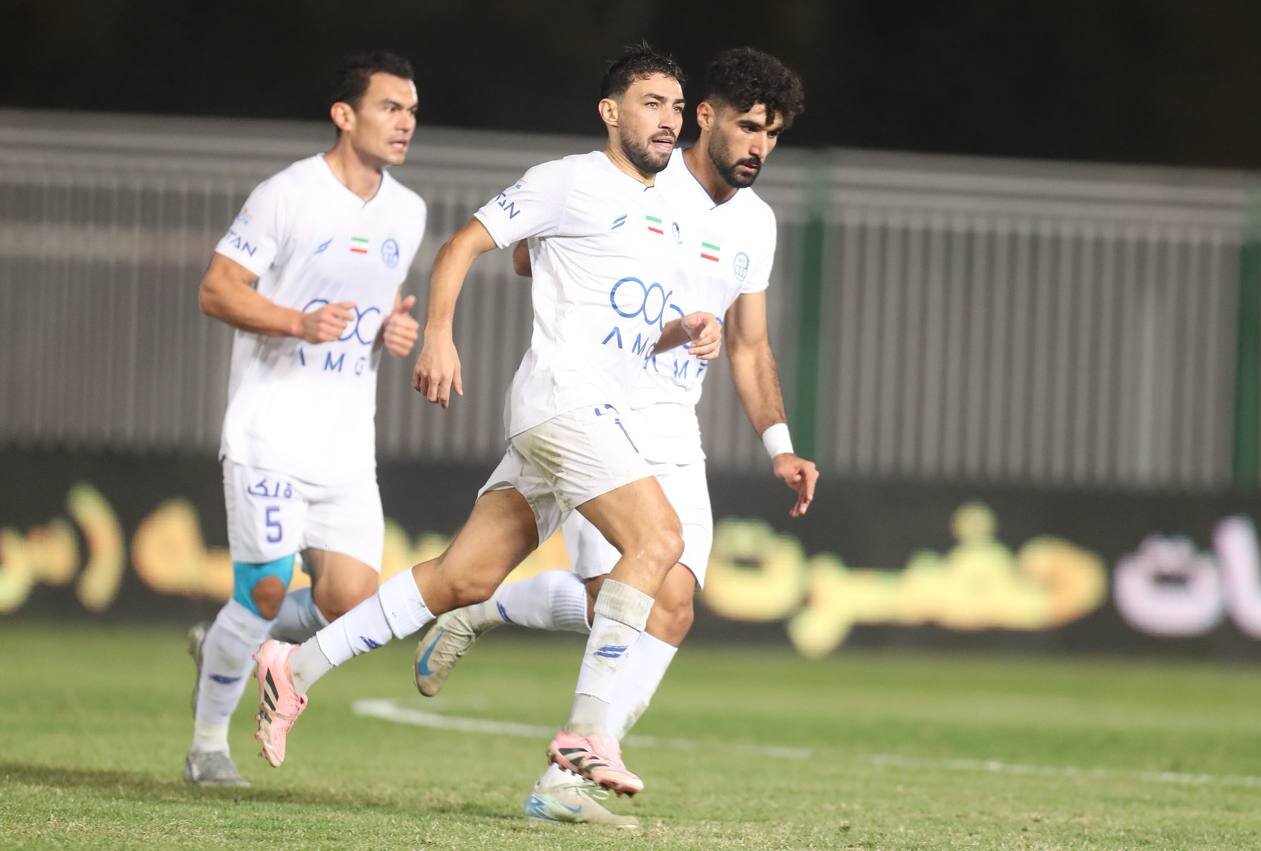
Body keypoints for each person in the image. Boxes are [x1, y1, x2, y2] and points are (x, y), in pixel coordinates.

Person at [250, 44, 722, 797]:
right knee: (660, 539)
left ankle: (294, 666)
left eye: (674, 106)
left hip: (588, 413)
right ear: (610, 113)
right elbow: (463, 245)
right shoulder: (568, 180)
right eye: (651, 104)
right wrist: (438, 335)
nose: (668, 120)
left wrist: (684, 329)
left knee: (460, 579)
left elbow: (623, 321)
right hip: (564, 404)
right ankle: (589, 728)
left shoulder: (665, 209)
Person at [411, 46, 815, 827]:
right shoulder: (643, 177)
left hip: (676, 425)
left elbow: (749, 344)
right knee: (617, 598)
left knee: (674, 606)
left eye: (774, 134)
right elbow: (528, 252)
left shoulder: (756, 224)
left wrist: (781, 445)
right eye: (749, 126)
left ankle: (558, 765)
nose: (760, 146)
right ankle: (501, 643)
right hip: (605, 408)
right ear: (705, 117)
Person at [184, 50, 426, 786]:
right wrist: (297, 321)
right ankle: (208, 747)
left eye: (412, 111)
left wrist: (391, 332)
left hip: (346, 441)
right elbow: (218, 289)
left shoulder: (407, 211)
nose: (405, 123)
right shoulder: (287, 195)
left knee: (350, 600)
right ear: (344, 115)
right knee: (264, 589)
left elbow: (370, 309)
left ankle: (224, 638)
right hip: (271, 429)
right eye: (390, 107)